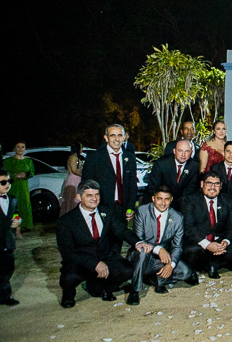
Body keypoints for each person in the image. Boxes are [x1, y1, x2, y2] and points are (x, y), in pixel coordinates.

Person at [56, 180, 149, 308]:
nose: (94, 199)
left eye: (97, 195)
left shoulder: (107, 212)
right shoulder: (66, 221)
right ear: (79, 197)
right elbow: (68, 253)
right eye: (89, 195)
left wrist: (138, 242)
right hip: (81, 261)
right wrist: (94, 264)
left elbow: (122, 230)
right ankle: (68, 295)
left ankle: (102, 287)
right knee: (69, 277)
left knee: (127, 270)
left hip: (104, 256)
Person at [127, 186, 196, 305]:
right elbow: (139, 240)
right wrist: (158, 249)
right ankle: (135, 290)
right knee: (143, 251)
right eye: (159, 198)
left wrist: (171, 265)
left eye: (166, 199)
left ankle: (157, 279)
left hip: (161, 260)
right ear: (153, 198)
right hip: (141, 256)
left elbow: (177, 246)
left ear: (171, 200)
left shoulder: (177, 217)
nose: (163, 203)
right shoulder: (142, 211)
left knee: (185, 272)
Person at [181, 171, 232, 279]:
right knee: (192, 250)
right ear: (202, 184)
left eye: (216, 184)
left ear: (221, 185)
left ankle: (210, 265)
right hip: (199, 241)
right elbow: (189, 227)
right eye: (209, 183)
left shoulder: (228, 201)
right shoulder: (190, 200)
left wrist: (225, 242)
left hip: (218, 240)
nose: (212, 187)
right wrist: (207, 245)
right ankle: (207, 265)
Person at [81, 125, 138, 241]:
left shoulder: (130, 158)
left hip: (121, 209)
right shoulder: (95, 158)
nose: (116, 139)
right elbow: (86, 184)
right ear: (106, 138)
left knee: (117, 243)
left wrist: (130, 208)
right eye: (113, 135)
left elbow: (132, 185)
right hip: (101, 208)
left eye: (119, 135)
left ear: (124, 137)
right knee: (101, 243)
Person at [143, 139, 199, 212]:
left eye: (187, 151)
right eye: (180, 151)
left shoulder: (194, 166)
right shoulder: (161, 164)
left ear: (191, 152)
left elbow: (190, 190)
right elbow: (154, 188)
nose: (183, 155)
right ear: (174, 151)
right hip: (159, 201)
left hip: (181, 205)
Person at [0, 170, 22, 305]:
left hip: (8, 241)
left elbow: (16, 213)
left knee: (8, 269)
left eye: (9, 181)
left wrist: (18, 221)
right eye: (3, 182)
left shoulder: (12, 199)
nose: (7, 184)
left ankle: (5, 296)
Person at [3, 141, 34, 234]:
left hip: (24, 187)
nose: (20, 149)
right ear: (14, 148)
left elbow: (32, 172)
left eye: (22, 147)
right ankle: (13, 226)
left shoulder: (28, 161)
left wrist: (25, 175)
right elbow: (4, 173)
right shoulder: (8, 161)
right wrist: (14, 175)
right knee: (13, 206)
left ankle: (25, 225)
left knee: (24, 206)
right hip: (13, 186)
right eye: (18, 147)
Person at [60, 142, 84, 217]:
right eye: (81, 147)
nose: (82, 149)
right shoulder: (73, 158)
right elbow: (74, 171)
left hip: (77, 179)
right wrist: (83, 175)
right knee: (72, 198)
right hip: (73, 179)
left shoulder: (77, 157)